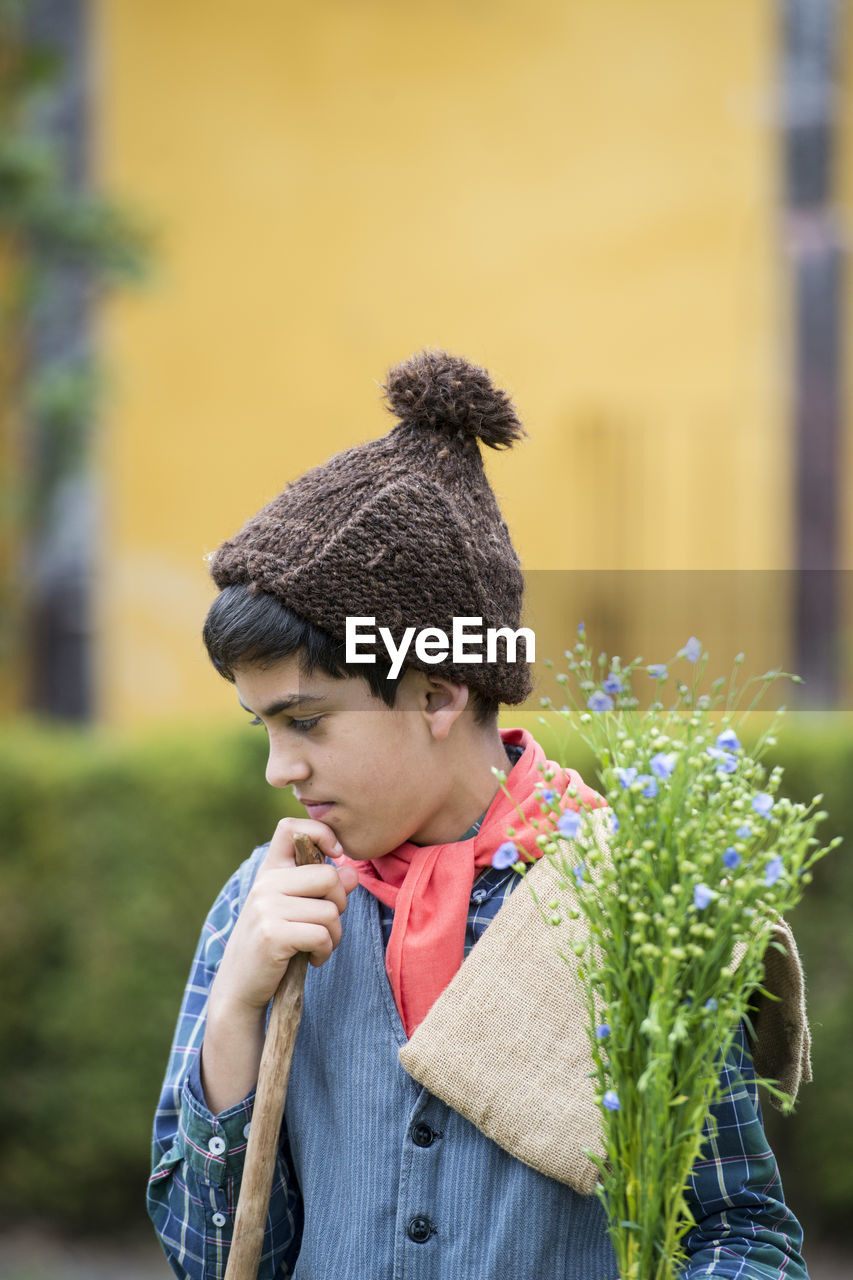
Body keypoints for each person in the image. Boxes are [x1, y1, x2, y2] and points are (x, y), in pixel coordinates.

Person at [147, 350, 810, 1279]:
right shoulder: (263, 909)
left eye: (304, 721)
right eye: (262, 726)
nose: (278, 767)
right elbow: (208, 1260)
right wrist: (233, 1020)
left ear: (439, 694)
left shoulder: (637, 908)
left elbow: (743, 1236)